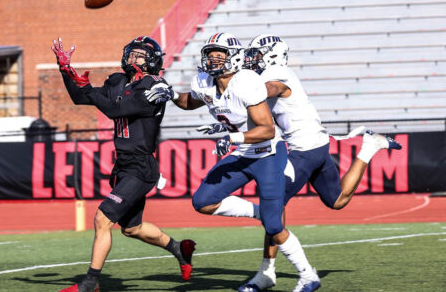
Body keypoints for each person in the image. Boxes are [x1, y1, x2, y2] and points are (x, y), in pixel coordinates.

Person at [145, 32, 318, 292]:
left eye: (219, 54)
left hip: (267, 153)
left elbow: (267, 129)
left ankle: (308, 276)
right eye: (210, 54)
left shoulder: (246, 81)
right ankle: (262, 212)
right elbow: (190, 102)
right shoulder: (204, 81)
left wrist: (232, 137)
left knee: (274, 225)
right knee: (203, 201)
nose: (212, 60)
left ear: (234, 57)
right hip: (243, 152)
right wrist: (170, 94)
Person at [235, 34, 403, 292]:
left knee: (272, 204)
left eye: (257, 54)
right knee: (337, 201)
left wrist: (237, 92)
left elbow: (271, 90)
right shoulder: (271, 73)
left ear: (271, 54)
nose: (251, 59)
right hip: (316, 144)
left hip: (304, 149)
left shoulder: (277, 72)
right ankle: (369, 147)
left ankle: (269, 272)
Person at [51, 36, 196, 292]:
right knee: (132, 228)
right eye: (132, 53)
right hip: (123, 166)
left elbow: (115, 111)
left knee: (102, 218)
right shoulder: (118, 80)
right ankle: (179, 248)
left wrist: (86, 88)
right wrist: (66, 71)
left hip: (141, 167)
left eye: (140, 55)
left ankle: (90, 282)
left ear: (152, 61)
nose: (133, 59)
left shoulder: (154, 85)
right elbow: (80, 98)